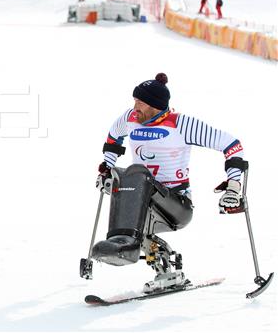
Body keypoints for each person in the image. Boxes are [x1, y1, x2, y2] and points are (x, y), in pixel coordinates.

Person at [91, 73, 246, 293]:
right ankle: (132, 249)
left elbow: (232, 145)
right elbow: (113, 138)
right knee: (121, 175)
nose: (135, 107)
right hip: (143, 199)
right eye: (134, 101)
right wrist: (107, 168)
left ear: (155, 106)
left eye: (140, 103)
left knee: (136, 174)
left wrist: (234, 186)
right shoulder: (130, 118)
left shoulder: (182, 124)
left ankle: (126, 243)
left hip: (177, 205)